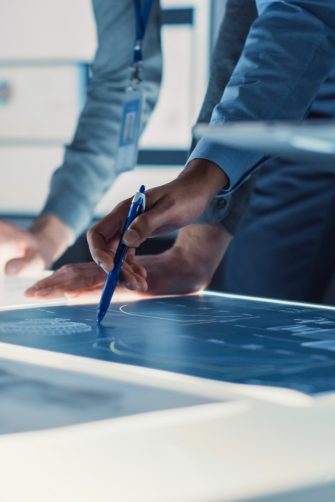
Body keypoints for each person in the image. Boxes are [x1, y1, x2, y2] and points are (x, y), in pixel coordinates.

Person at [27, 0, 335, 305]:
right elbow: (125, 70)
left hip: (304, 96)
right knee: (255, 304)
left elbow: (298, 17)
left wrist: (202, 180)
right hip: (275, 111)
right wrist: (49, 233)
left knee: (272, 307)